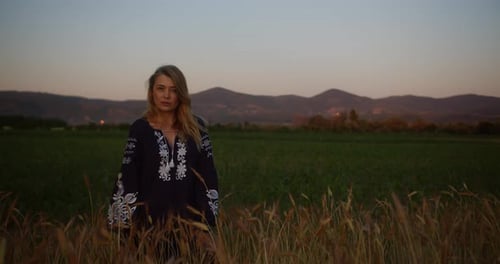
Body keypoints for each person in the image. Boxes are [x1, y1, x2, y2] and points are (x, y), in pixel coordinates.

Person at [107, 65, 219, 255]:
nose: (166, 95)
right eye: (161, 88)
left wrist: (206, 224)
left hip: (190, 229)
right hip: (148, 228)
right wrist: (124, 226)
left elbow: (208, 177)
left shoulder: (197, 128)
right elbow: (128, 176)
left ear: (181, 94)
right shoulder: (140, 129)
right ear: (152, 93)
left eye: (173, 90)